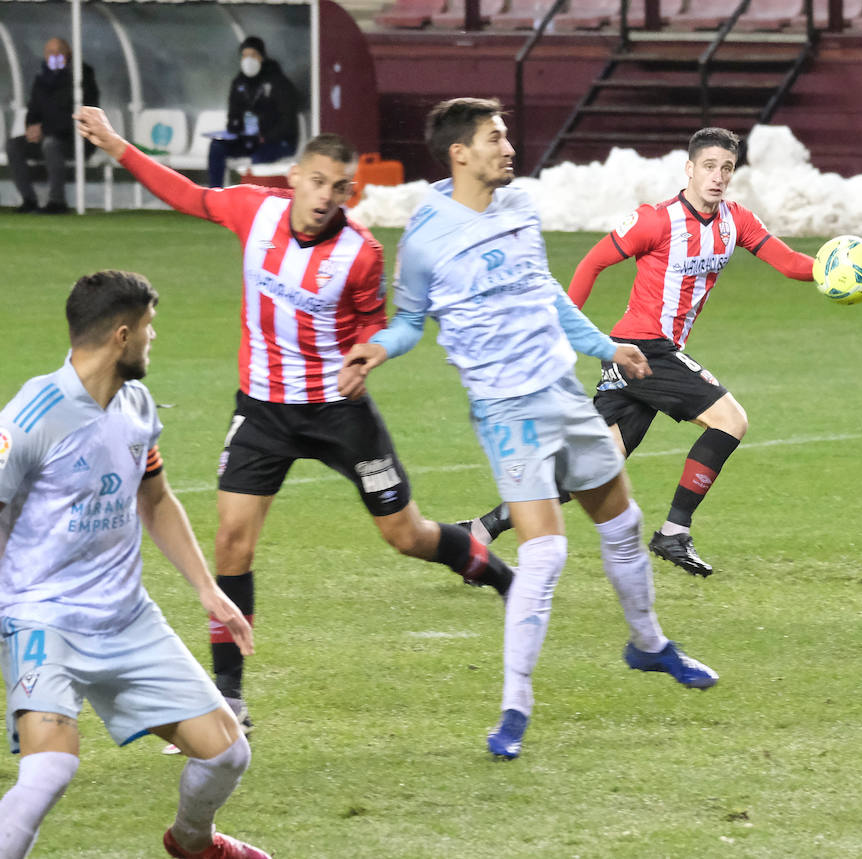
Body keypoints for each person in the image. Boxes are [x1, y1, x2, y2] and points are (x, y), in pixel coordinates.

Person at [74, 107, 512, 742]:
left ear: (349, 194)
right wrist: (117, 145)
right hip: (264, 411)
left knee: (407, 534)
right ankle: (230, 690)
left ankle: (497, 574)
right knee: (231, 542)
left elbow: (372, 320)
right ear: (295, 178)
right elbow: (187, 194)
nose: (326, 199)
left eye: (340, 189)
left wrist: (367, 353)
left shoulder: (360, 252)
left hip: (338, 412)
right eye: (317, 183)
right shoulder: (254, 212)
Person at [340, 97, 718, 760]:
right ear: (461, 153)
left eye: (506, 135)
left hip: (563, 394)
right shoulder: (425, 235)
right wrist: (380, 347)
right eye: (495, 137)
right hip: (506, 413)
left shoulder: (520, 208)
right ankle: (515, 706)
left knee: (623, 526)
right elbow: (409, 320)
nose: (508, 147)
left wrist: (606, 346)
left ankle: (649, 644)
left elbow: (546, 293)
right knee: (545, 552)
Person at [463, 126, 817, 578]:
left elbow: (788, 263)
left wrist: (829, 271)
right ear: (689, 169)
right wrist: (563, 325)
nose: (718, 177)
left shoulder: (736, 221)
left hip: (641, 355)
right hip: (644, 349)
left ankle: (481, 528)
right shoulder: (655, 220)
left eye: (726, 168)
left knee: (589, 470)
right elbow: (593, 262)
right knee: (731, 421)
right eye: (709, 166)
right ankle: (675, 530)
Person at [0, 270, 270, 859]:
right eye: (150, 327)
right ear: (122, 335)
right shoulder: (30, 417)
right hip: (43, 620)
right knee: (48, 774)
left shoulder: (136, 403)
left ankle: (194, 842)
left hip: (126, 620)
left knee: (227, 752)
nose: (155, 339)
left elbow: (155, 497)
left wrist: (207, 588)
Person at [5, 37, 98, 214]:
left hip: (76, 140)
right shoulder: (42, 80)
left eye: (58, 53)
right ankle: (28, 200)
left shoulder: (81, 77)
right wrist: (32, 127)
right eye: (49, 53)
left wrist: (45, 129)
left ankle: (57, 202)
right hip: (48, 136)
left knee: (51, 145)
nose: (53, 57)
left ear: (67, 54)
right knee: (14, 145)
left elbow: (77, 115)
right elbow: (33, 110)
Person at [207, 37, 299, 189]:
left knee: (259, 157)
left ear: (262, 57)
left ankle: (255, 198)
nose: (248, 60)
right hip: (249, 140)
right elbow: (233, 115)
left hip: (277, 141)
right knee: (217, 147)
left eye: (253, 55)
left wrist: (266, 136)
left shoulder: (279, 83)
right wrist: (234, 128)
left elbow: (288, 123)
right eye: (245, 55)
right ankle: (213, 194)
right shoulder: (239, 83)